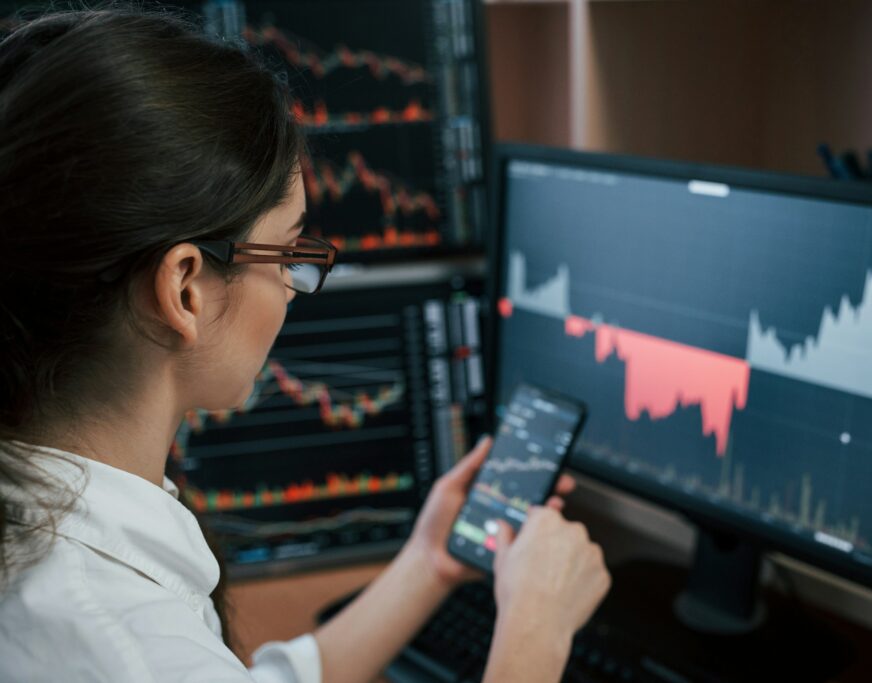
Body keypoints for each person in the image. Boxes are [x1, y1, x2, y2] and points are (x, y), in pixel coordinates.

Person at [0, 7, 611, 682]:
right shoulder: (116, 644)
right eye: (288, 250)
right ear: (186, 290)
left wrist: (427, 565)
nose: (293, 284)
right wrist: (536, 627)